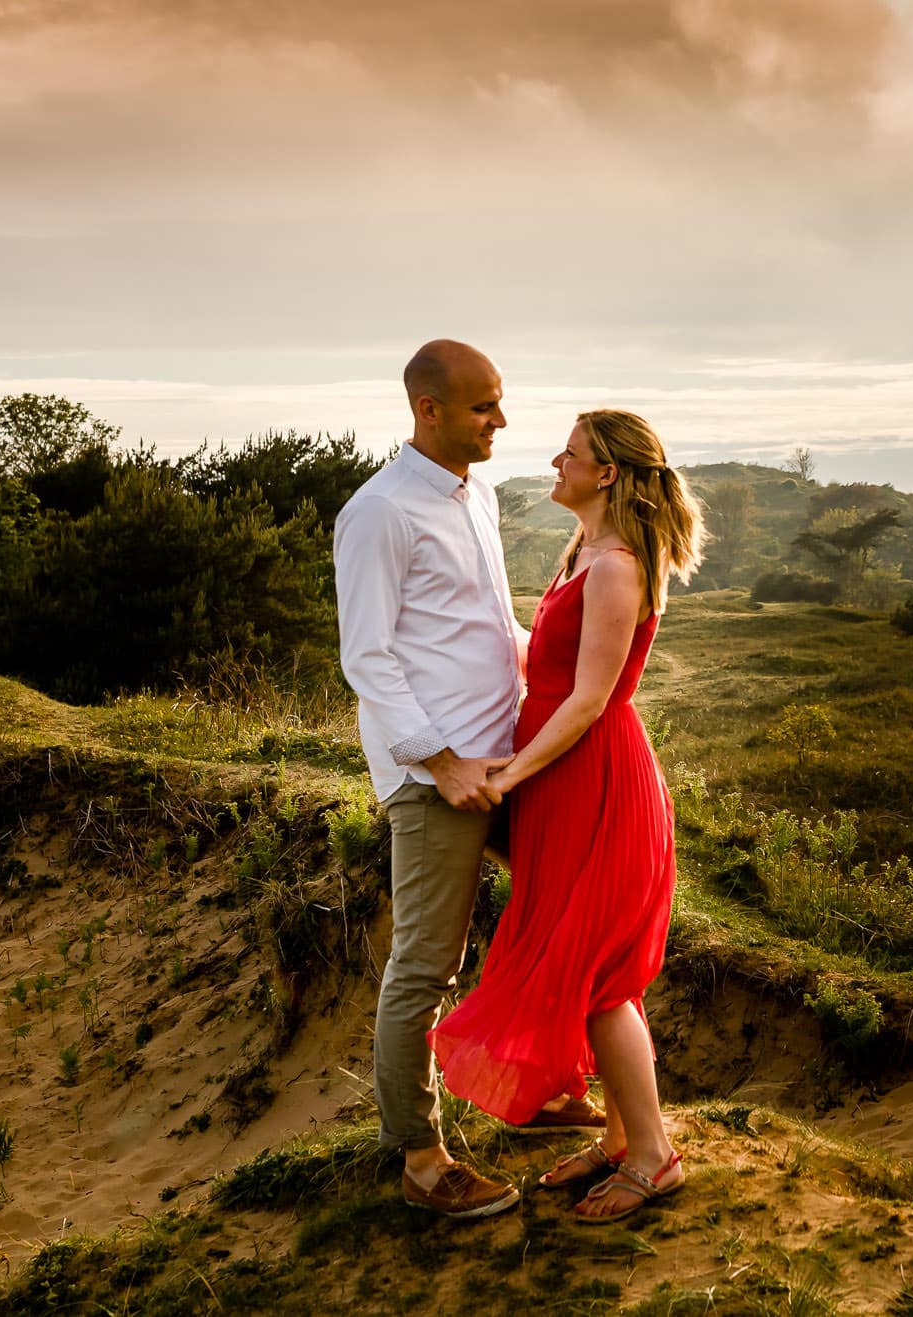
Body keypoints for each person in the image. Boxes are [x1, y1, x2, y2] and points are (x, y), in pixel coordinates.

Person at [429, 408, 705, 1222]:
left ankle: (655, 1158)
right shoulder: (583, 551)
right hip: (565, 781)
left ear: (609, 473)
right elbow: (541, 660)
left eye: (572, 453)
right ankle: (623, 1139)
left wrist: (511, 772)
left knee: (598, 975)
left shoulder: (616, 565)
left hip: (593, 780)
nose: (556, 459)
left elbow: (588, 701)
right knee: (594, 967)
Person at [334, 339, 559, 1220]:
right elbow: (369, 657)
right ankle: (420, 1158)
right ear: (428, 408)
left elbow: (489, 622)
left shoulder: (479, 493)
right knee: (425, 964)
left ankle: (538, 1085)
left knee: (555, 910)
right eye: (483, 406)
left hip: (503, 756)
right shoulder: (380, 512)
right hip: (440, 778)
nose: (501, 420)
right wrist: (441, 760)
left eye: (500, 402)